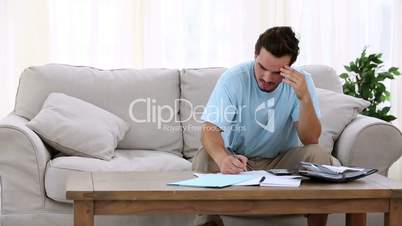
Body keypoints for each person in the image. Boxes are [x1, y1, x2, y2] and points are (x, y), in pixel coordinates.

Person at [192, 26, 337, 226]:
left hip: (282, 161)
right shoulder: (233, 79)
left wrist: (305, 99)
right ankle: (209, 223)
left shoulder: (302, 83)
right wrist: (223, 159)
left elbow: (310, 140)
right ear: (255, 55)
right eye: (262, 67)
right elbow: (210, 129)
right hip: (240, 161)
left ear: (290, 67)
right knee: (204, 156)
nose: (267, 78)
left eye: (277, 72)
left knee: (319, 155)